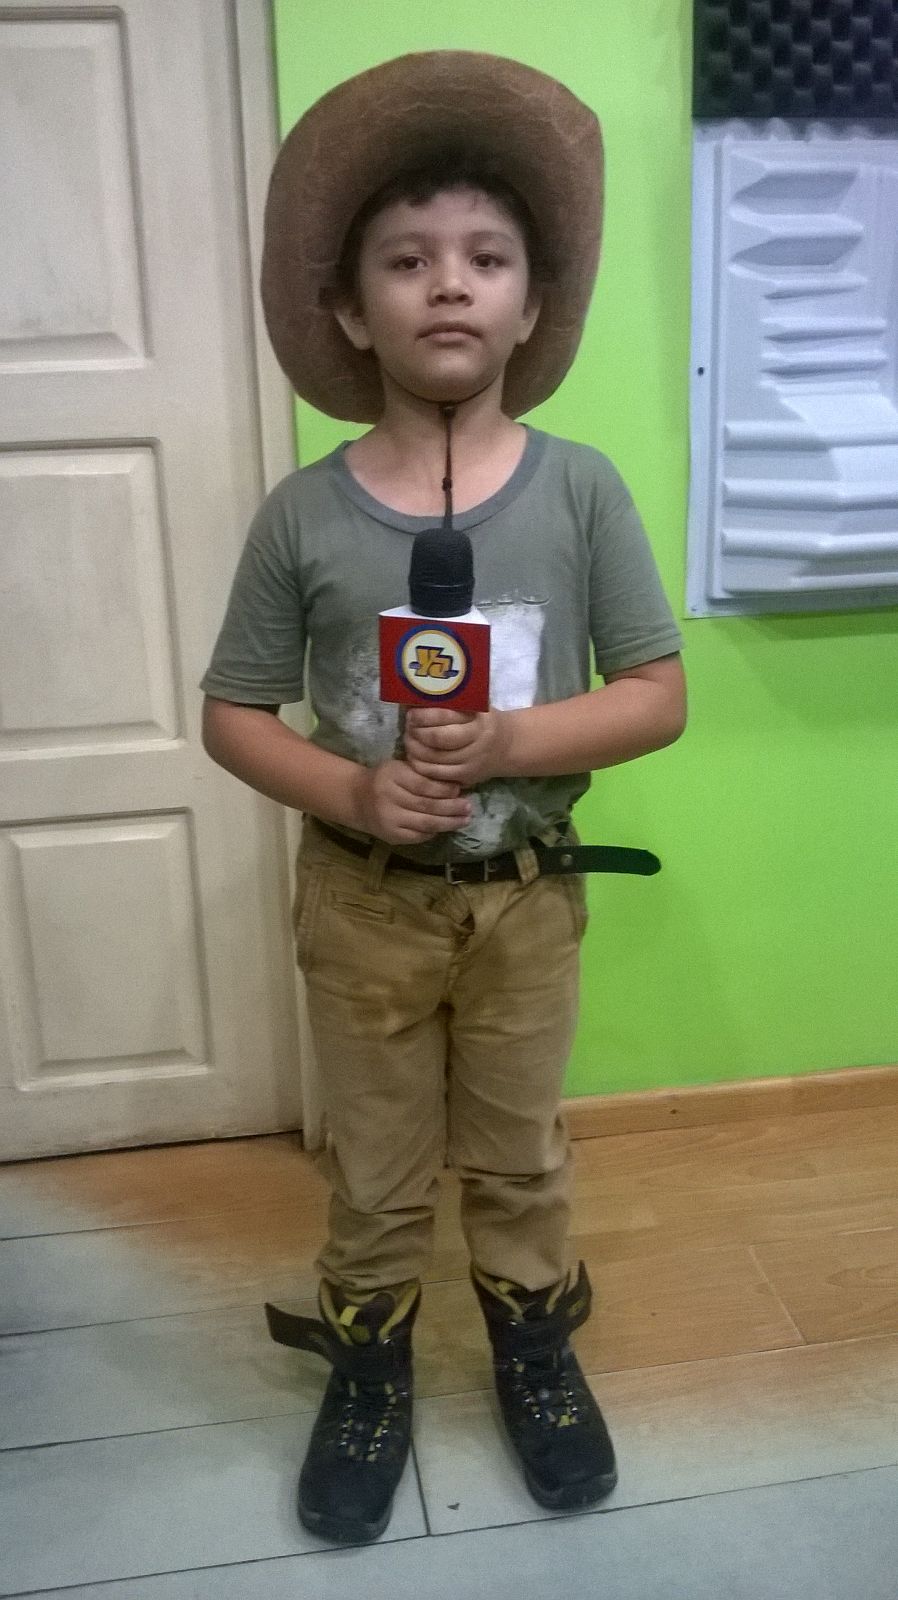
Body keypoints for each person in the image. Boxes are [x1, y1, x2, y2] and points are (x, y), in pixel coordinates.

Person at [200, 50, 686, 1545]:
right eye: (407, 261)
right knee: (375, 1161)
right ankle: (371, 1366)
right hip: (364, 908)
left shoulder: (582, 490)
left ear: (533, 303)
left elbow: (655, 695)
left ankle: (533, 1348)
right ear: (353, 310)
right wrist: (355, 785)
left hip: (527, 902)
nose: (450, 284)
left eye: (486, 257)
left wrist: (509, 743)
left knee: (522, 1149)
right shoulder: (304, 514)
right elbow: (232, 717)